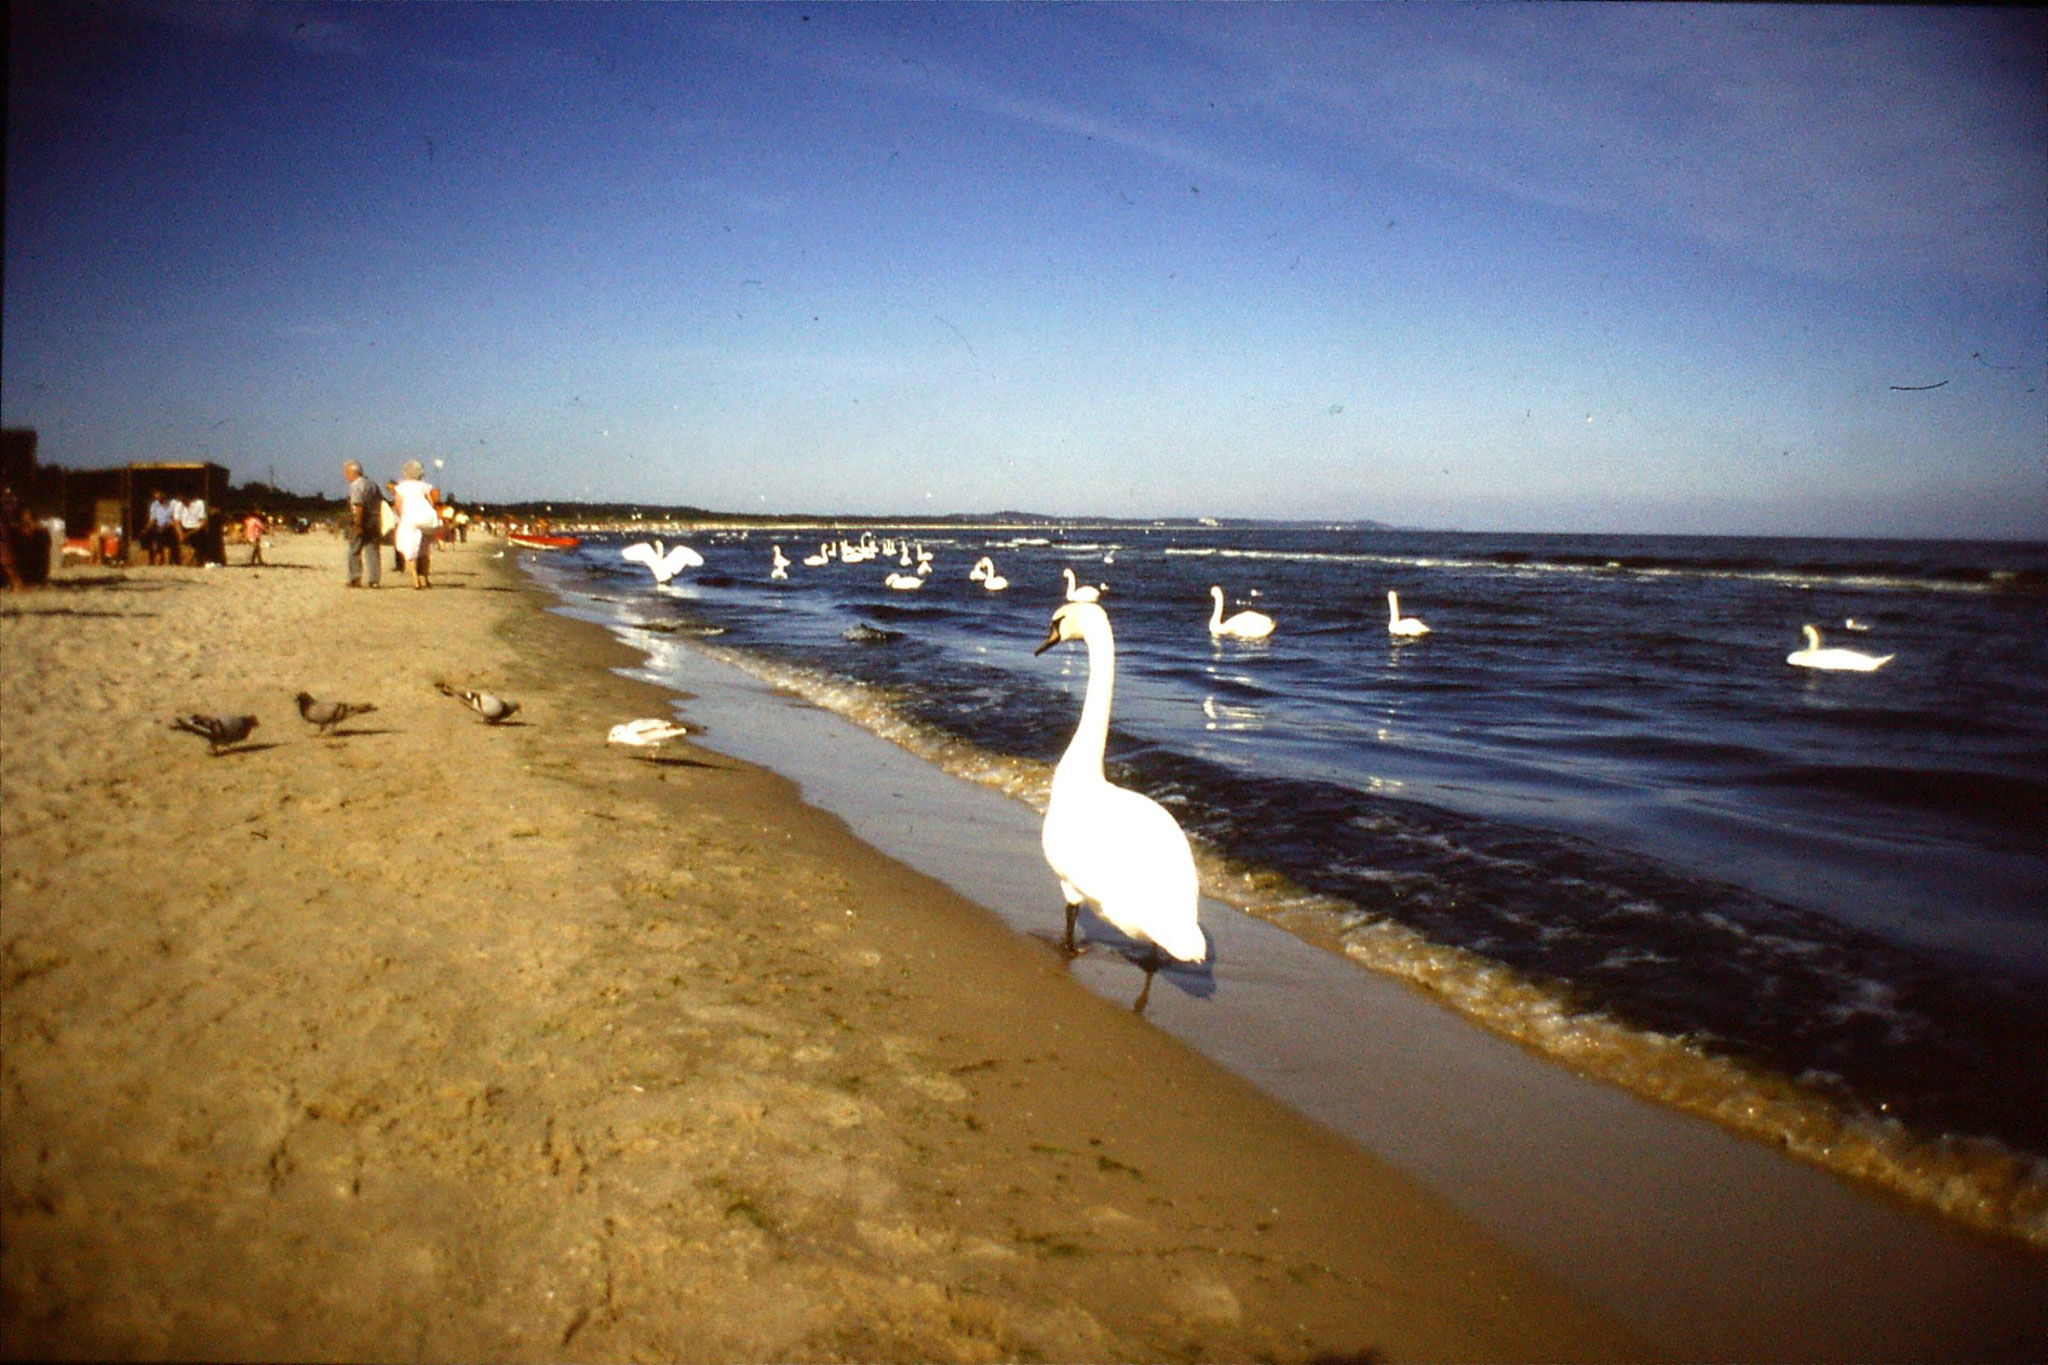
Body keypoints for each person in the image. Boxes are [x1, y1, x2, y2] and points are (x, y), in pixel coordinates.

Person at [391, 459, 441, 590]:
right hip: (425, 519)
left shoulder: (401, 487)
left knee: (410, 550)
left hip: (409, 519)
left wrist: (403, 516)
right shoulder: (424, 486)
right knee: (424, 550)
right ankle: (424, 578)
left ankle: (415, 579)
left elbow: (398, 505)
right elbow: (431, 502)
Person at [343, 461, 386, 587]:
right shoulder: (372, 484)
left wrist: (357, 524)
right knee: (372, 550)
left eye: (347, 472)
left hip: (362, 520)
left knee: (354, 550)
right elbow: (380, 501)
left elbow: (358, 506)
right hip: (374, 520)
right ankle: (374, 580)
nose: (346, 476)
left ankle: (355, 578)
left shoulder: (356, 485)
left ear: (352, 472)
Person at [144, 490, 174, 565]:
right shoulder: (154, 505)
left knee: (162, 533)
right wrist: (146, 528)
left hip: (168, 526)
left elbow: (173, 519)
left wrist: (166, 525)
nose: (157, 498)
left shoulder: (171, 505)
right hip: (158, 526)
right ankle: (155, 556)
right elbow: (152, 519)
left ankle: (163, 557)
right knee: (153, 533)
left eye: (158, 496)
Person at [177, 493, 207, 566]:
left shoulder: (199, 503)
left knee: (199, 542)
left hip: (196, 529)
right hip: (184, 528)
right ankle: (187, 561)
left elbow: (202, 522)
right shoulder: (179, 505)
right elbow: (176, 521)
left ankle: (198, 561)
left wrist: (191, 532)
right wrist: (180, 534)